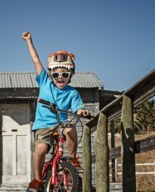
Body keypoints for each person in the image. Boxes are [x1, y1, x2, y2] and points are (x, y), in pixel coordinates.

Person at [22, 32, 92, 192]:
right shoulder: (45, 82)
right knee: (40, 149)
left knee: (70, 128)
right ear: (50, 74)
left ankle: (73, 158)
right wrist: (29, 41)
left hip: (61, 123)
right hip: (44, 125)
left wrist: (82, 111)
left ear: (71, 75)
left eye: (65, 74)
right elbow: (35, 60)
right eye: (56, 74)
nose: (60, 77)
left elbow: (78, 107)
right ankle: (38, 179)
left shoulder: (72, 92)